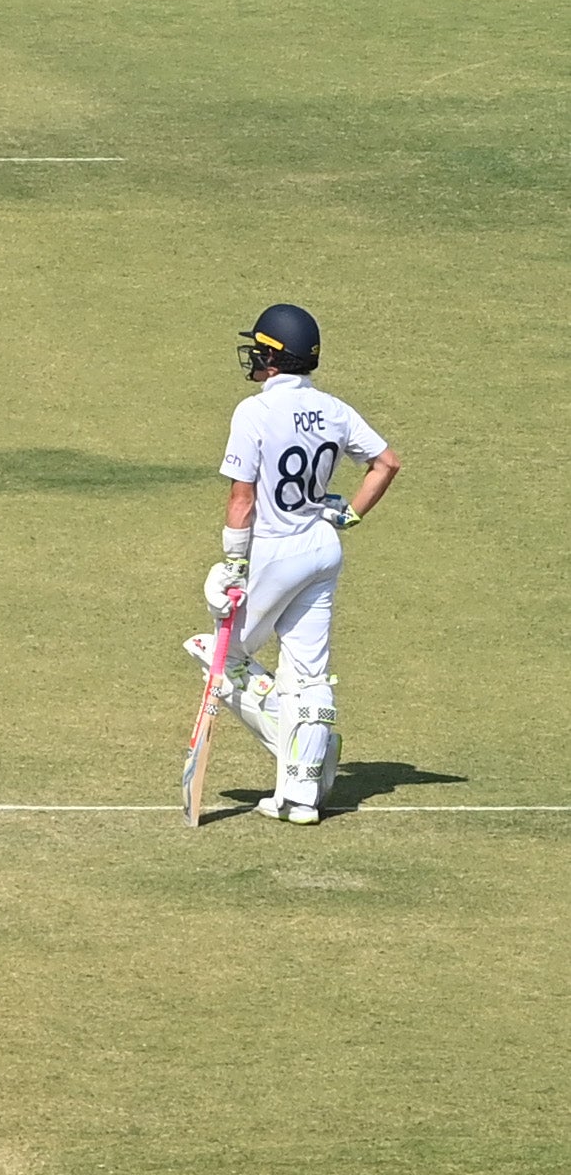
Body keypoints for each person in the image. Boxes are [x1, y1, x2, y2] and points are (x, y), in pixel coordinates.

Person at [199, 303, 402, 822]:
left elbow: (241, 497)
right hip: (321, 547)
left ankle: (292, 746)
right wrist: (349, 516)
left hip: (272, 550)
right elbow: (386, 463)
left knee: (219, 656)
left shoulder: (255, 411)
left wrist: (233, 565)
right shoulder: (333, 408)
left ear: (272, 357)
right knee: (309, 676)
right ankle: (301, 795)